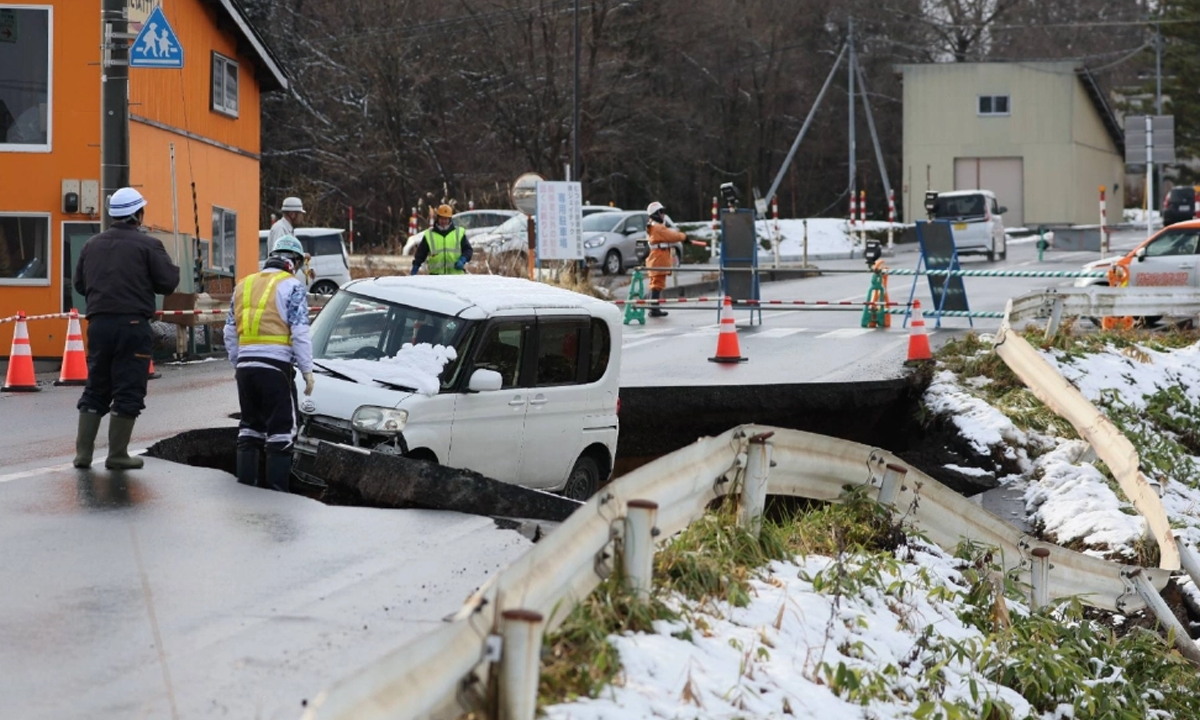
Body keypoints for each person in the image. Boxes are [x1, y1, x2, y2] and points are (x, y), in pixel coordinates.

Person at [72, 187, 181, 470]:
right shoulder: (148, 246)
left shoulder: (91, 245)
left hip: (98, 325)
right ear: (137, 214)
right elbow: (167, 283)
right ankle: (117, 454)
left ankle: (83, 455)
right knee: (128, 388)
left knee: (96, 386)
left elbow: (80, 285)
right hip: (132, 326)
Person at [224, 235, 315, 493]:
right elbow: (300, 332)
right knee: (282, 430)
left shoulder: (244, 284)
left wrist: (238, 363)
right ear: (293, 262)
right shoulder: (292, 286)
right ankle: (276, 494)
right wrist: (307, 371)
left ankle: (247, 488)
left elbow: (229, 332)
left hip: (246, 367)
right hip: (275, 366)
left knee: (250, 427)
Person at [645, 201, 686, 317]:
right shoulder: (658, 228)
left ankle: (653, 307)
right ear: (655, 213)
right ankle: (654, 309)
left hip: (656, 257)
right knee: (657, 284)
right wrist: (683, 237)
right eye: (661, 212)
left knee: (655, 283)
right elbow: (671, 235)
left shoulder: (652, 226)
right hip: (659, 258)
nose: (663, 215)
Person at [411, 204, 472, 275]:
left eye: (446, 219)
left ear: (450, 219)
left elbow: (468, 250)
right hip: (436, 277)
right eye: (441, 218)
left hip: (455, 276)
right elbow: (420, 254)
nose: (443, 221)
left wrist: (462, 260)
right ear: (438, 218)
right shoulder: (429, 235)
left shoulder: (459, 233)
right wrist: (415, 267)